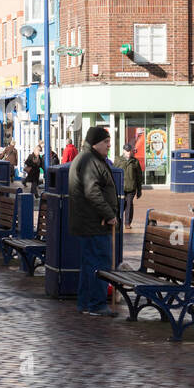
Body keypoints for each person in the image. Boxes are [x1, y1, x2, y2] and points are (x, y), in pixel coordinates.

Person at [69, 126, 119, 317]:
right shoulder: (91, 161)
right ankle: (96, 304)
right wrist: (109, 214)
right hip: (95, 224)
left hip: (89, 223)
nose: (109, 146)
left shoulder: (88, 158)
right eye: (106, 142)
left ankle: (86, 303)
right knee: (99, 263)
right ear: (96, 143)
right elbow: (92, 192)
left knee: (89, 264)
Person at [119, 142, 144, 229]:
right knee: (121, 205)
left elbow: (139, 177)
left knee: (129, 204)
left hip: (131, 188)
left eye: (130, 151)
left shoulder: (135, 162)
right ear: (123, 151)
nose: (128, 152)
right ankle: (118, 222)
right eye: (127, 151)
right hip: (121, 188)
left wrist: (139, 190)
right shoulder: (118, 160)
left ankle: (127, 223)